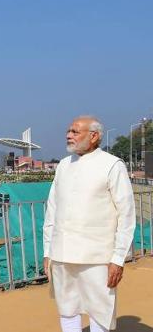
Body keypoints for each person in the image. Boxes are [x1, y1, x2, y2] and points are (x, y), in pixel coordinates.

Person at [43, 116, 136, 332]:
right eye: (68, 131)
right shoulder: (63, 166)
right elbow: (52, 211)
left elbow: (126, 215)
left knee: (100, 310)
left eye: (75, 131)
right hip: (62, 253)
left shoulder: (112, 165)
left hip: (97, 256)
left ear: (93, 136)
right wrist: (48, 251)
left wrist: (118, 258)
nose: (68, 135)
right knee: (67, 308)